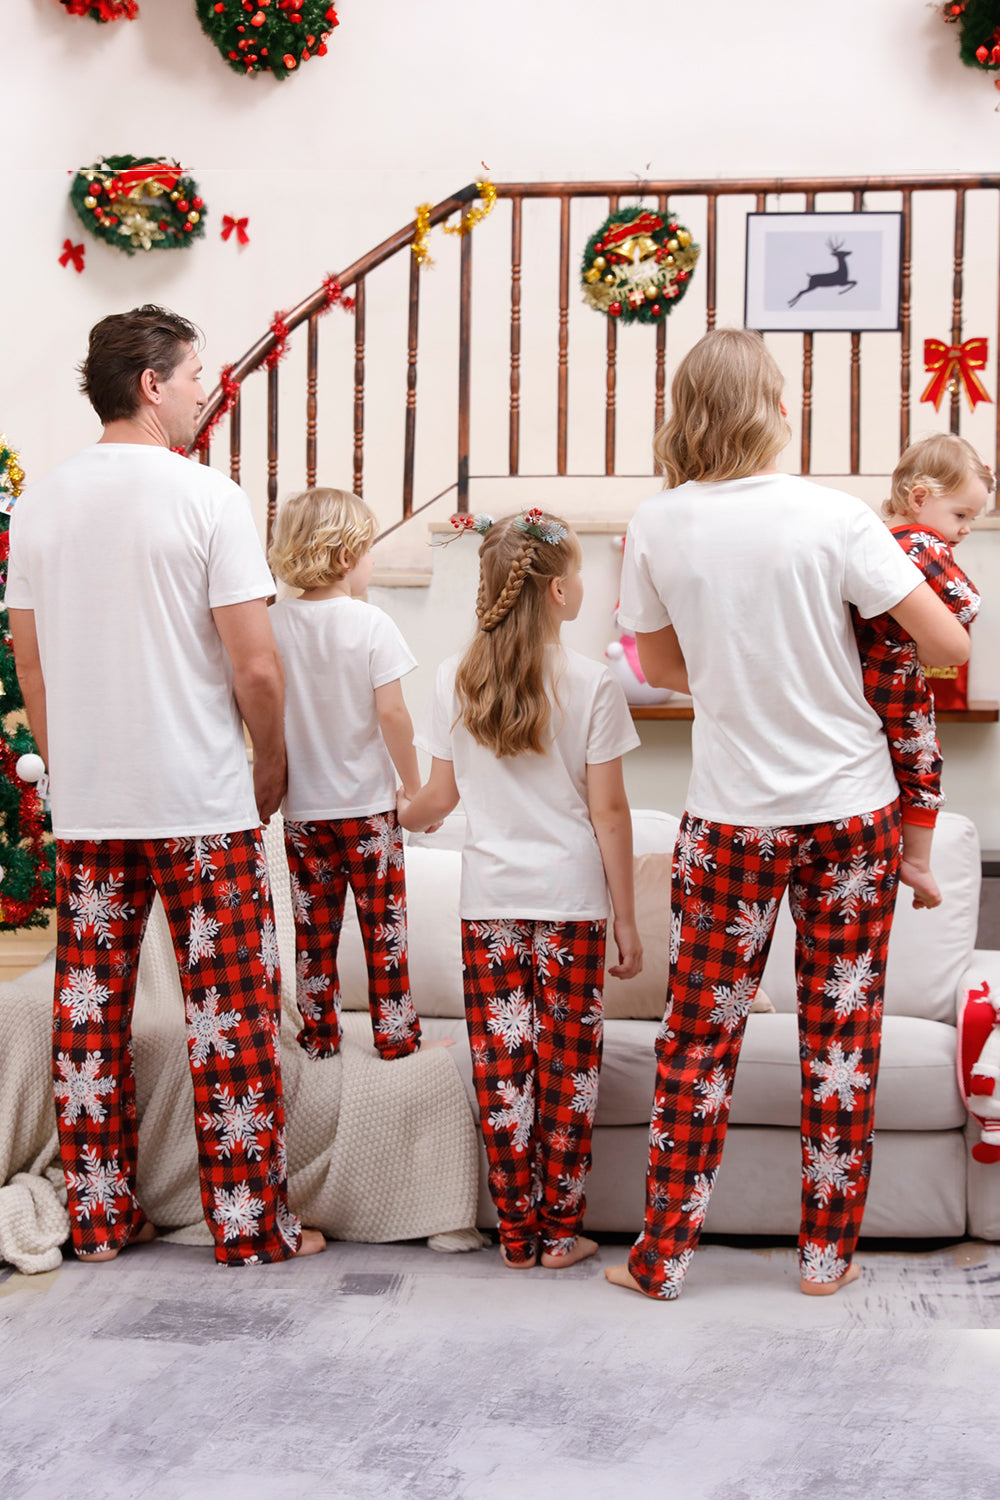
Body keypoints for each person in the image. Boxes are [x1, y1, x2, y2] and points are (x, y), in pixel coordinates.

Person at [603, 329, 970, 1301]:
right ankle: (823, 1258)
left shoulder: (656, 524)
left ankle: (662, 1259)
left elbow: (661, 668)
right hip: (852, 811)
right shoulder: (835, 518)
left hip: (730, 817)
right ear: (772, 406)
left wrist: (738, 670)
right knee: (838, 1030)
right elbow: (939, 644)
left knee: (698, 1034)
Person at [7, 305, 324, 1265]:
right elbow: (257, 668)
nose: (202, 391)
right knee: (228, 1019)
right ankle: (247, 1228)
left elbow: (30, 669)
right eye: (194, 376)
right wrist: (270, 760)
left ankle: (100, 1223)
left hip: (95, 811)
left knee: (89, 1019)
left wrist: (77, 772)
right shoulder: (207, 497)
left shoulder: (41, 505)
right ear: (151, 385)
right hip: (200, 808)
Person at [398, 509, 643, 1269]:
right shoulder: (593, 684)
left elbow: (436, 803)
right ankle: (560, 1231)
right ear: (561, 592)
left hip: (490, 907)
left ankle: (515, 1234)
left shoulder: (452, 679)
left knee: (505, 1071)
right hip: (570, 907)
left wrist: (390, 817)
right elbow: (609, 814)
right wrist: (627, 921)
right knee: (566, 1071)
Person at [267, 486, 452, 1061]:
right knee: (384, 932)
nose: (371, 561)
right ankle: (396, 1038)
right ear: (346, 555)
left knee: (314, 934)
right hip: (368, 812)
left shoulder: (271, 625)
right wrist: (415, 787)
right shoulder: (370, 624)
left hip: (303, 815)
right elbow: (393, 713)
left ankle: (319, 1037)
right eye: (369, 549)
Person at [854, 433, 990, 911]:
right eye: (961, 515)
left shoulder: (873, 538)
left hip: (858, 680)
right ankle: (917, 860)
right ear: (919, 498)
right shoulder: (920, 543)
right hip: (896, 680)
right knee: (922, 764)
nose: (966, 529)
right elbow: (965, 603)